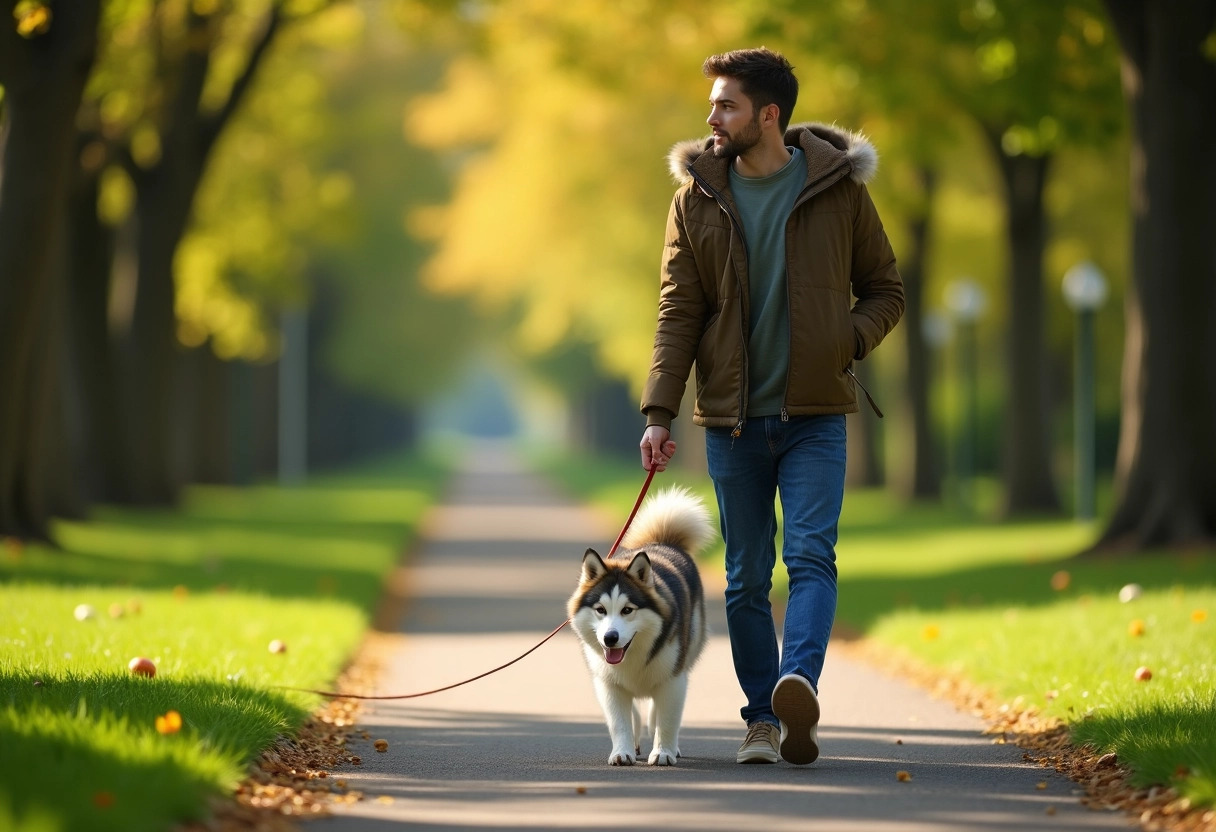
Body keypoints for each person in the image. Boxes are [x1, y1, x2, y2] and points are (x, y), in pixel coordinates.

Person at [638, 47, 904, 766]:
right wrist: (659, 413)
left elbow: (886, 289)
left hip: (816, 414)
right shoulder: (697, 196)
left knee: (812, 556)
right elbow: (677, 310)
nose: (711, 118)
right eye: (712, 105)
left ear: (768, 114)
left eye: (725, 105)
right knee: (749, 575)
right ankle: (761, 717)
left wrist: (842, 340)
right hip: (731, 421)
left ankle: (797, 685)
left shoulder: (837, 190)